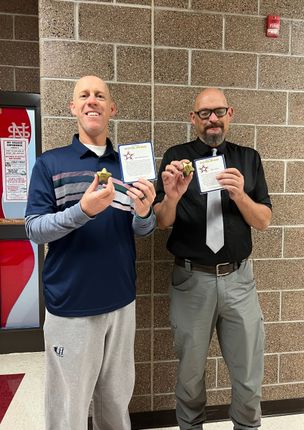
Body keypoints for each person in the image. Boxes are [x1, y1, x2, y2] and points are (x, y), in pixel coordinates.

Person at [25, 75, 156, 430]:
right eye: (84, 95)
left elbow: (142, 230)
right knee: (69, 407)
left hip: (120, 303)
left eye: (100, 95)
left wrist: (145, 213)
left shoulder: (130, 167)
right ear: (73, 108)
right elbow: (34, 229)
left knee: (115, 402)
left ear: (111, 108)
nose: (92, 101)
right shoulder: (50, 164)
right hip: (71, 305)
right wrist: (82, 210)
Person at [153, 88, 272, 430]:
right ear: (194, 119)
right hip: (192, 281)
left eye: (218, 111)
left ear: (229, 114)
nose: (212, 119)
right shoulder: (177, 157)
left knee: (248, 376)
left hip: (239, 282)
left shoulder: (249, 158)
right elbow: (162, 222)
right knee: (190, 376)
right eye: (204, 114)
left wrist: (239, 195)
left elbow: (262, 220)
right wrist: (172, 196)